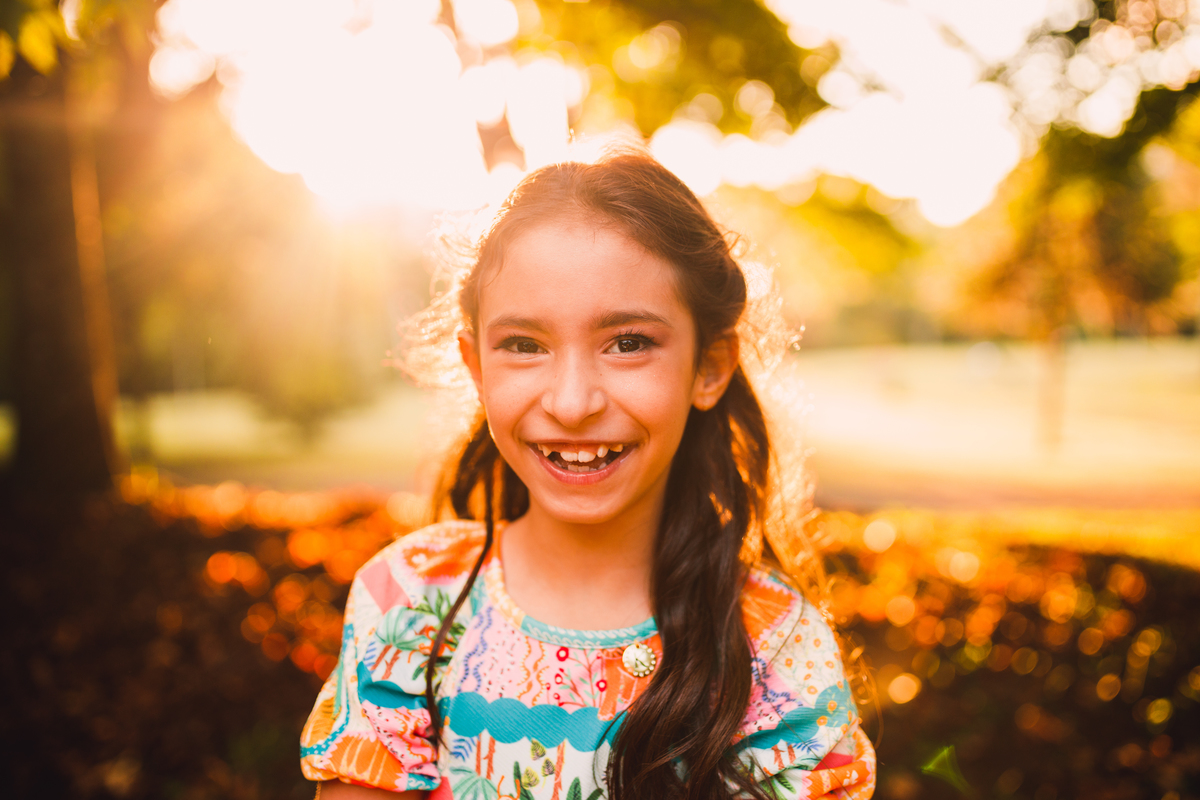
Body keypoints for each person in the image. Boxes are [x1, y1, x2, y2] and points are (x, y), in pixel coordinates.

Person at [299, 150, 876, 800]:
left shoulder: (777, 648)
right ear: (476, 365)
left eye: (628, 343)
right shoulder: (405, 605)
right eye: (524, 345)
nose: (572, 403)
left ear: (709, 368)